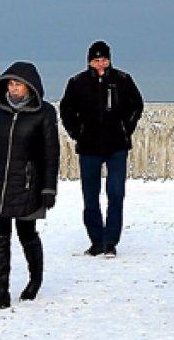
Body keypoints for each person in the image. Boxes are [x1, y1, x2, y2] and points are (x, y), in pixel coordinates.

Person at [0, 62, 60, 311]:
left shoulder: (45, 113)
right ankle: (1, 291)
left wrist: (48, 189)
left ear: (30, 86)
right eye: (10, 84)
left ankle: (35, 280)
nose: (13, 88)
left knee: (26, 234)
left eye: (17, 84)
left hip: (28, 185)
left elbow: (51, 154)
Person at [60, 40, 144, 257]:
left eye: (104, 59)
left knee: (116, 193)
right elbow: (66, 111)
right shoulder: (77, 82)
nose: (101, 64)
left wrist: (126, 128)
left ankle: (111, 241)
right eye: (96, 60)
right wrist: (78, 132)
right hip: (89, 147)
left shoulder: (123, 80)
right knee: (90, 196)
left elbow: (137, 105)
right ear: (89, 61)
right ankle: (96, 240)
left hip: (117, 146)